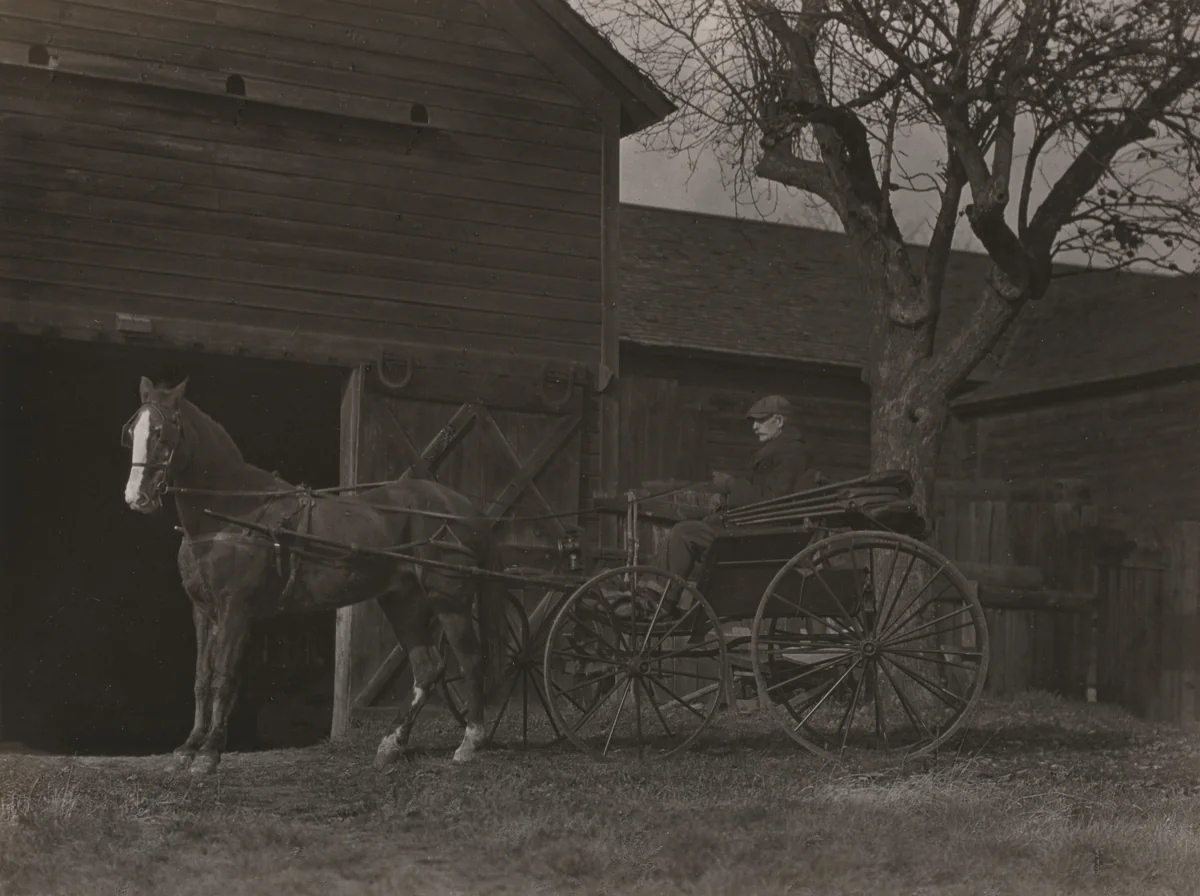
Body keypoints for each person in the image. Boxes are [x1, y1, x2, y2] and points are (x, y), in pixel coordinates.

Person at [617, 394, 814, 619]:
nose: (755, 427)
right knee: (689, 529)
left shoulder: (791, 453)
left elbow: (772, 499)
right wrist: (725, 501)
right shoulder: (780, 449)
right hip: (753, 529)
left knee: (684, 533)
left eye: (761, 421)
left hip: (762, 537)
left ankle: (658, 602)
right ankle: (651, 595)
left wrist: (730, 485)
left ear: (778, 421)